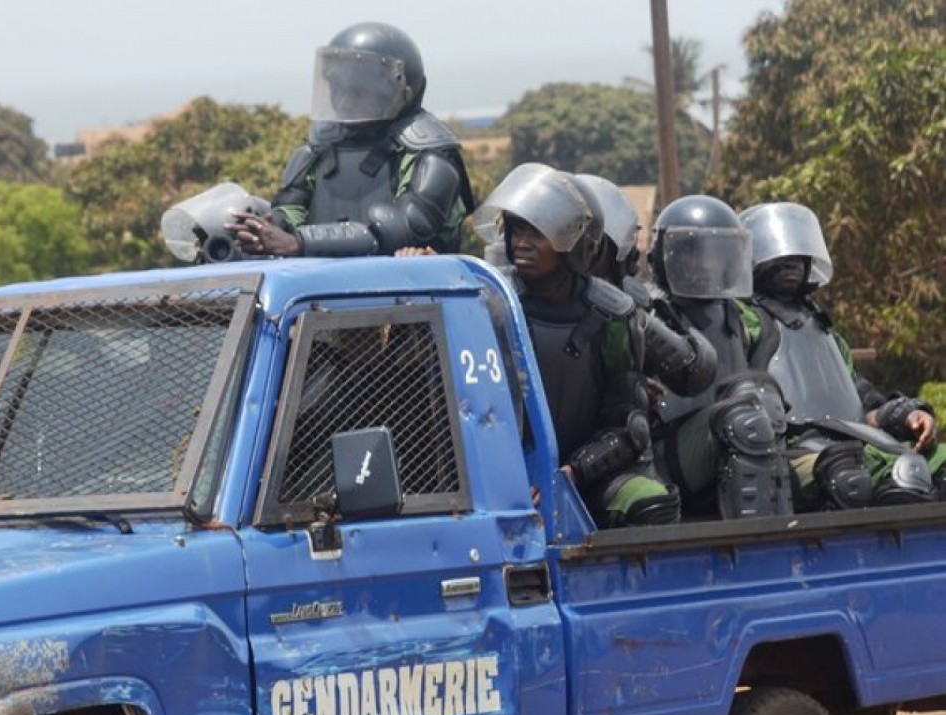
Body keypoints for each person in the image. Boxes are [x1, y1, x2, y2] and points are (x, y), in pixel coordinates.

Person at [473, 163, 678, 526]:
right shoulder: (488, 300)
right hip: (502, 477)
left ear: (577, 244)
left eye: (538, 233)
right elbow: (473, 411)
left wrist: (573, 472)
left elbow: (629, 427)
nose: (521, 243)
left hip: (585, 476)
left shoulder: (614, 315)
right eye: (517, 230)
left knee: (651, 503)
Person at [739, 201, 941, 508]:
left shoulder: (822, 328)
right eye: (778, 255)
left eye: (796, 255)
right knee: (853, 478)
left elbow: (861, 401)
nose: (789, 262)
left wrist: (908, 415)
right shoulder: (743, 321)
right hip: (790, 450)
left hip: (850, 439)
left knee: (938, 464)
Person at [228, 22, 473, 259]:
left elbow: (402, 230)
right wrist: (272, 225)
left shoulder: (429, 155)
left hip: (415, 291)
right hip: (319, 289)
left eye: (357, 92)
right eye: (339, 89)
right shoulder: (319, 149)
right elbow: (293, 207)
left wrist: (299, 243)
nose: (345, 101)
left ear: (402, 92)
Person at [645, 194, 792, 519]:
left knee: (764, 405)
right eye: (691, 254)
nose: (704, 265)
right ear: (664, 258)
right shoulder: (649, 314)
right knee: (743, 418)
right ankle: (751, 543)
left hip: (733, 446)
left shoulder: (743, 318)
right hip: (667, 455)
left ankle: (782, 532)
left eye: (714, 256)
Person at [576, 173, 717, 404]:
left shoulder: (628, 309)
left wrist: (634, 384)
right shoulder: (511, 304)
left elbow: (695, 373)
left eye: (587, 244)